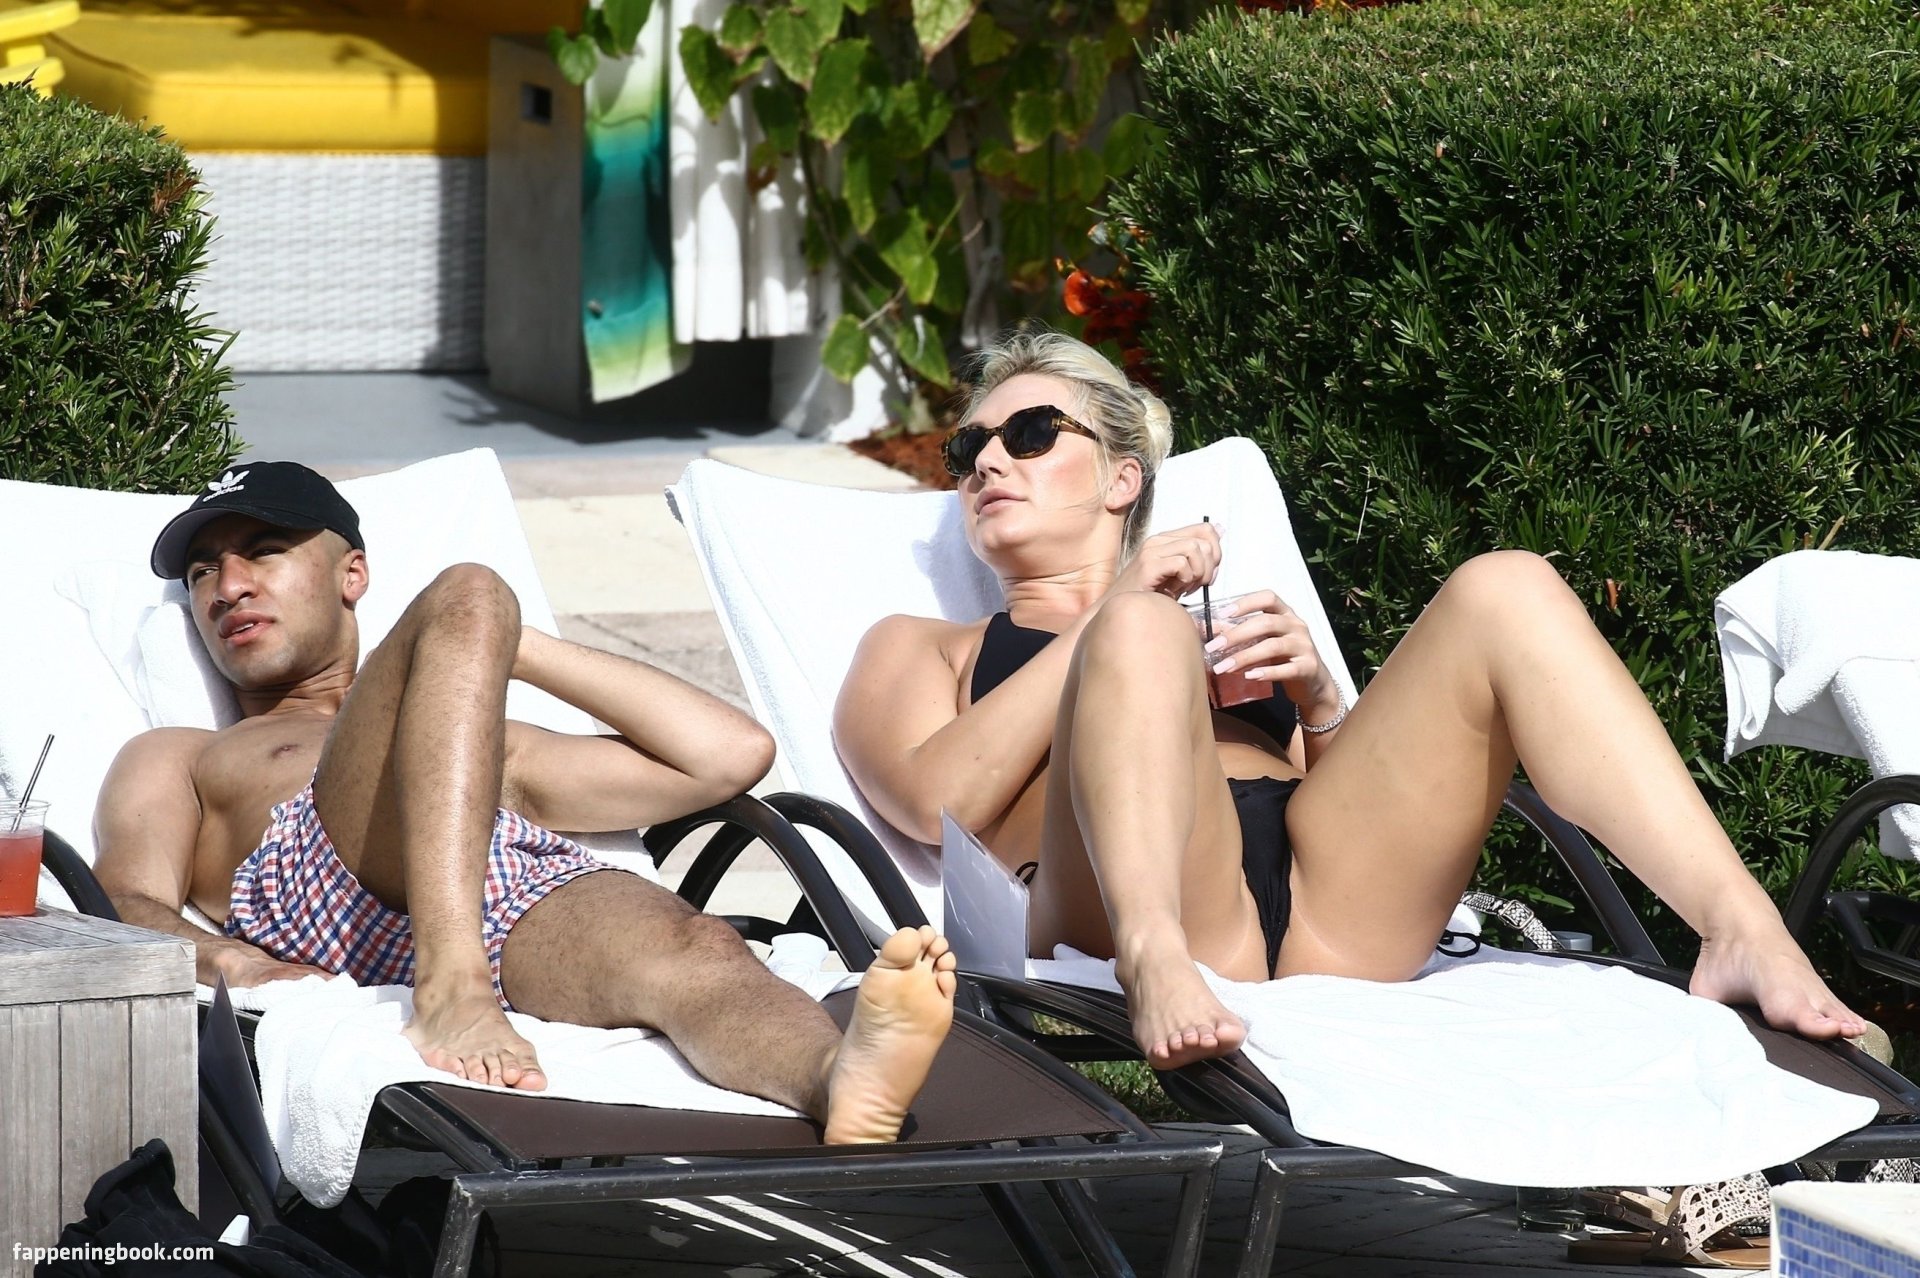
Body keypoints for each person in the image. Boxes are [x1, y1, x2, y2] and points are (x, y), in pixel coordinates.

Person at [833, 328, 1867, 1070]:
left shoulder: (1218, 621)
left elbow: (1349, 802)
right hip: (1133, 908)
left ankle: (1741, 928)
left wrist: (1324, 701)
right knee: (1143, 636)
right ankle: (1155, 959)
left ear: (1121, 479)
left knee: (1505, 587)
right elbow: (932, 802)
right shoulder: (926, 646)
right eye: (967, 451)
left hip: (1330, 912)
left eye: (1028, 434)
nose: (987, 463)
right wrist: (1120, 607)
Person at [94, 461, 954, 1144]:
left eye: (264, 551)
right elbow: (123, 898)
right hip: (323, 870)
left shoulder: (474, 738)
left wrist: (499, 640)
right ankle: (453, 985)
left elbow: (729, 755)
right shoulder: (184, 753)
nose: (228, 586)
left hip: (496, 884)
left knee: (696, 948)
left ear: (352, 573)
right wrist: (235, 964)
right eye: (203, 573)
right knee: (470, 585)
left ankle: (836, 1081)